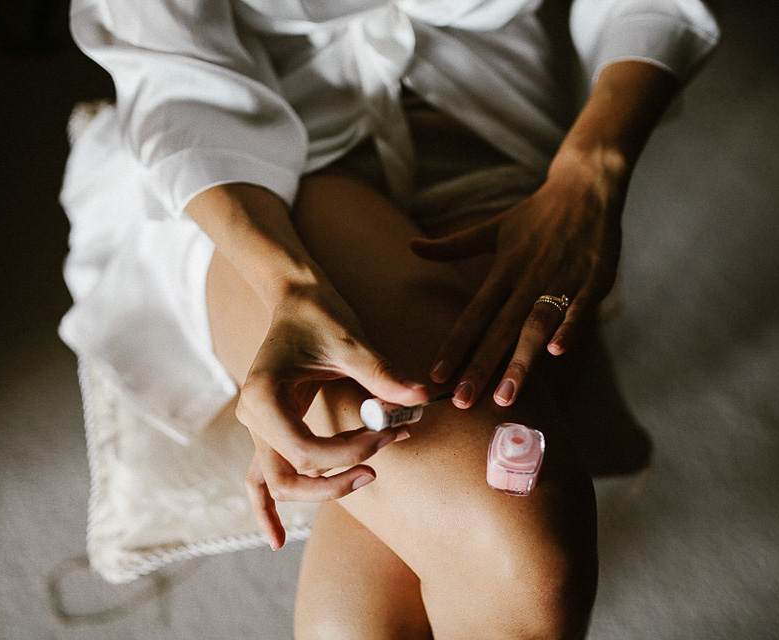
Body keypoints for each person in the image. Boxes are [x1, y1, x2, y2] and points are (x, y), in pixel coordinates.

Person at [60, 0, 719, 636]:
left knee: (362, 624)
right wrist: (288, 287)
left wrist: (594, 169)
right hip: (267, 187)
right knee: (521, 551)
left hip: (496, 137)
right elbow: (176, 82)